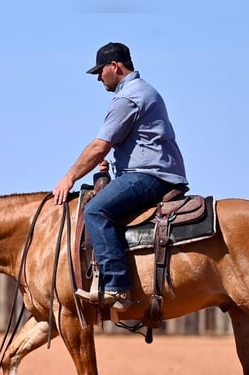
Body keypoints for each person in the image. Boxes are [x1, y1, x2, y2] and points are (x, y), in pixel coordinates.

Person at [52, 42, 188, 311]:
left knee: (95, 211)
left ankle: (117, 286)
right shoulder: (144, 90)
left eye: (100, 72)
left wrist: (69, 178)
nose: (98, 78)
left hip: (150, 175)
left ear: (115, 66)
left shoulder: (128, 97)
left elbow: (99, 145)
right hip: (157, 171)